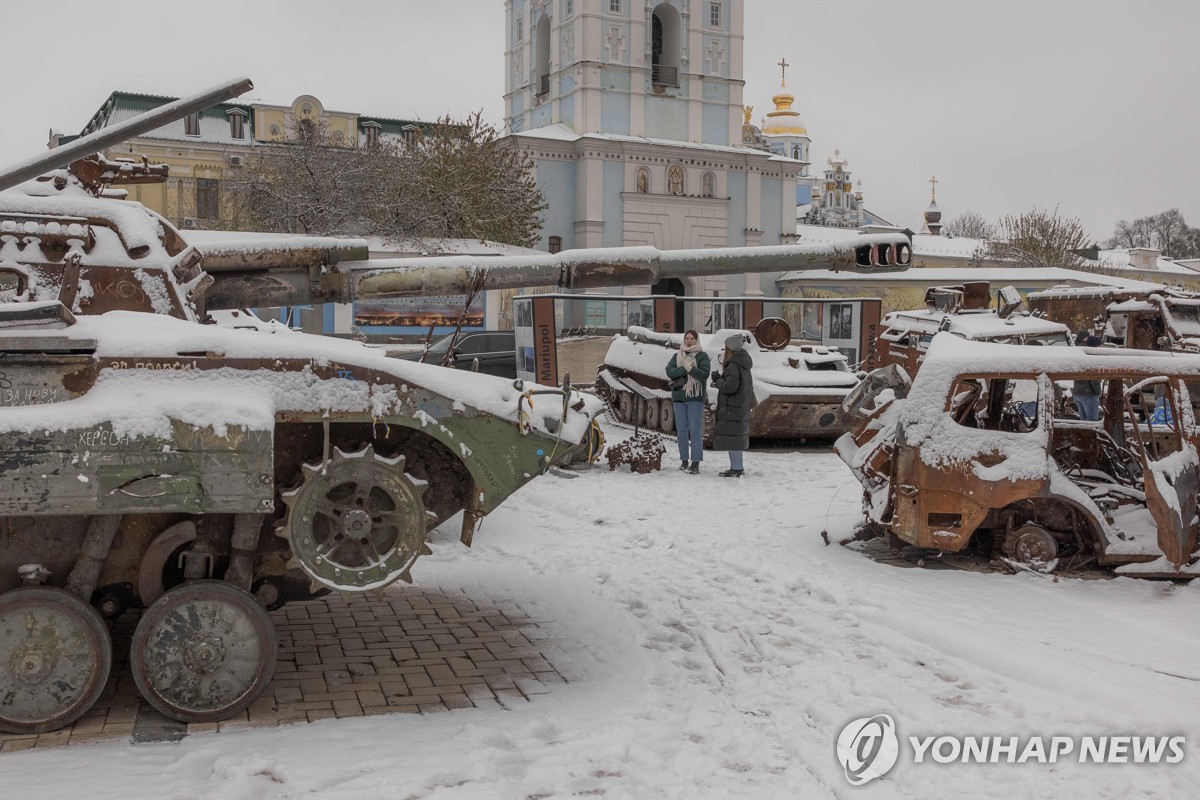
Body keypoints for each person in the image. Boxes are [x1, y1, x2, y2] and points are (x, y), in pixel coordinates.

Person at [665, 330, 711, 474]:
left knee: (695, 431)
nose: (689, 341)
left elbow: (704, 375)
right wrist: (684, 370)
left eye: (692, 338)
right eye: (687, 338)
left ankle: (695, 463)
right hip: (679, 398)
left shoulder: (702, 356)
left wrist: (690, 368)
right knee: (681, 431)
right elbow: (669, 371)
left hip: (695, 398)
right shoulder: (677, 355)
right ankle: (684, 460)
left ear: (696, 340)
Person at [711, 332, 754, 477]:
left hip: (732, 408)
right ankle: (736, 467)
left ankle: (736, 468)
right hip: (739, 406)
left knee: (733, 439)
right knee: (735, 438)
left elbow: (731, 387)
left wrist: (718, 381)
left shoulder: (733, 365)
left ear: (730, 349)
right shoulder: (743, 364)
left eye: (726, 348)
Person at [1073, 336, 1103, 421]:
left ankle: (1083, 434)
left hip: (1078, 391)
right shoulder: (1090, 357)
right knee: (1092, 420)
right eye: (1099, 346)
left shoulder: (1079, 354)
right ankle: (1091, 434)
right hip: (1088, 393)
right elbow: (1093, 376)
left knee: (1083, 420)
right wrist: (1097, 390)